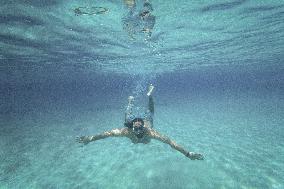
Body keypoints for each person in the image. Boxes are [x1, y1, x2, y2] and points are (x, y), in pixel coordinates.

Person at [76, 84, 204, 160]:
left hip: (147, 123)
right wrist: (90, 138)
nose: (138, 132)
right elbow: (106, 134)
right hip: (133, 124)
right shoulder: (126, 131)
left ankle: (149, 96)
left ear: (143, 128)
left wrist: (188, 154)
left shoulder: (150, 132)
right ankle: (131, 102)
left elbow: (171, 143)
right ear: (132, 128)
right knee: (127, 119)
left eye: (139, 129)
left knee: (150, 114)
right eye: (135, 129)